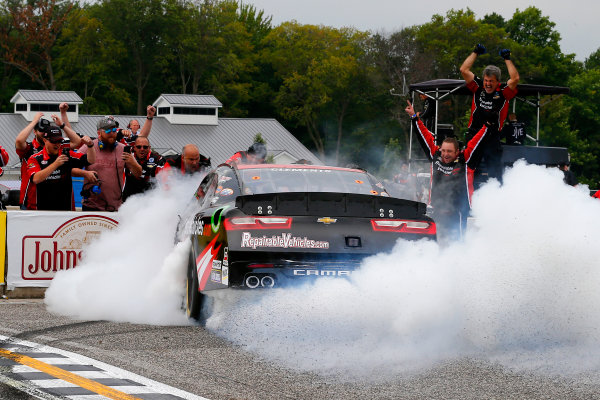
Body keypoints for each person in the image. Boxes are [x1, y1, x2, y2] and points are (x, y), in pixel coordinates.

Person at [406, 100, 492, 243]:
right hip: (436, 210)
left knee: (457, 244)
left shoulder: (466, 160)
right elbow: (424, 138)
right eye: (444, 150)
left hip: (458, 213)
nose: (445, 154)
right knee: (433, 244)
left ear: (457, 152)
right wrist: (415, 118)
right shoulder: (435, 156)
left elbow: (477, 142)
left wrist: (487, 126)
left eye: (450, 151)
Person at [460, 44, 519, 181]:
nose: (487, 84)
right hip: (474, 133)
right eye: (486, 80)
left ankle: (496, 195)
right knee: (469, 167)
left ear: (497, 81)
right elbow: (464, 70)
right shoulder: (478, 87)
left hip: (492, 136)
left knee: (495, 172)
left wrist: (507, 59)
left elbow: (515, 79)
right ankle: (466, 194)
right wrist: (475, 52)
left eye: (491, 81)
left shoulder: (504, 91)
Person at [74, 116, 142, 211]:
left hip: (116, 207)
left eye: (114, 130)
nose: (112, 133)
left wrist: (133, 162)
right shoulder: (88, 147)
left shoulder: (123, 149)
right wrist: (85, 173)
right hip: (92, 206)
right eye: (107, 131)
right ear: (99, 133)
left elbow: (138, 173)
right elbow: (71, 168)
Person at [15, 113, 83, 207]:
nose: (44, 133)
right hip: (31, 199)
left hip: (55, 200)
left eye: (46, 130)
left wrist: (62, 125)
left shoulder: (58, 146)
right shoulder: (29, 148)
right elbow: (19, 141)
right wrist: (34, 121)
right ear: (35, 132)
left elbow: (77, 141)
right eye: (41, 130)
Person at [25, 124, 95, 210]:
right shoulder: (35, 158)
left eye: (59, 141)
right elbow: (36, 179)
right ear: (45, 140)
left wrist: (90, 146)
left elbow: (90, 160)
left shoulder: (66, 154)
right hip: (42, 209)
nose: (57, 144)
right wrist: (55, 164)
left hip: (65, 209)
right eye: (53, 141)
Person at [122, 136, 165, 201]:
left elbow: (163, 180)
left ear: (149, 148)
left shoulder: (158, 159)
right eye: (139, 147)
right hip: (129, 200)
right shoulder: (127, 157)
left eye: (145, 147)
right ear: (134, 148)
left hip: (149, 199)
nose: (142, 149)